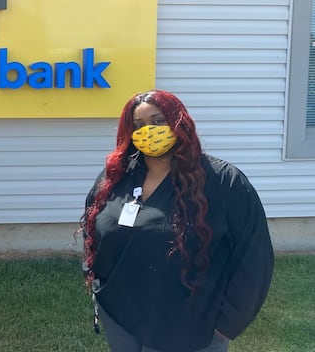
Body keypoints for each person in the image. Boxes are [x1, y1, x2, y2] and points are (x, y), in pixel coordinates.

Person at [80, 89, 274, 352]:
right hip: (121, 319)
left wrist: (227, 323)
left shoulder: (223, 182)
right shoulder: (116, 177)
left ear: (178, 122)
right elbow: (93, 227)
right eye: (138, 125)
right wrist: (96, 280)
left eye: (158, 121)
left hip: (188, 329)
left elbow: (254, 257)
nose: (148, 130)